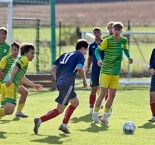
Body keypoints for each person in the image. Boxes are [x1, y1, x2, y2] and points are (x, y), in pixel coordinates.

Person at [33, 39, 88, 134]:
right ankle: (40, 120)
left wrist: (58, 80)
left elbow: (53, 69)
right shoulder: (80, 55)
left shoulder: (65, 54)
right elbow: (79, 68)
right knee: (60, 109)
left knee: (75, 102)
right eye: (86, 50)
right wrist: (84, 80)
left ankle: (64, 125)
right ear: (83, 48)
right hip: (68, 83)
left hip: (61, 82)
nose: (86, 53)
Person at [92, 22, 133, 124]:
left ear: (121, 31)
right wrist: (99, 60)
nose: (117, 31)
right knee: (102, 93)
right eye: (115, 29)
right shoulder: (107, 40)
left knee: (112, 95)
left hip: (115, 73)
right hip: (105, 71)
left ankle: (105, 116)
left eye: (119, 30)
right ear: (112, 30)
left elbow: (125, 50)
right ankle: (95, 114)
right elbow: (97, 51)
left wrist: (129, 57)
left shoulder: (124, 40)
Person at [0, 43, 43, 120]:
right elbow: (15, 67)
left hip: (5, 84)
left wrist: (33, 85)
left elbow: (21, 77)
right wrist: (10, 79)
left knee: (6, 108)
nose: (33, 55)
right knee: (9, 110)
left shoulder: (20, 58)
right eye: (32, 53)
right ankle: (18, 112)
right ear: (26, 53)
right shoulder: (25, 59)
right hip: (11, 84)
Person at [0, 41, 29, 118]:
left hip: (13, 83)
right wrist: (6, 80)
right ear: (11, 50)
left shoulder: (19, 59)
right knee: (7, 108)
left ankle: (19, 112)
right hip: (6, 83)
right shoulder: (5, 59)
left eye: (17, 50)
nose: (16, 51)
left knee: (25, 92)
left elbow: (20, 75)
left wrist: (20, 83)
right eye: (14, 50)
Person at [86, 27, 104, 114]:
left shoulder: (105, 43)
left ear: (101, 33)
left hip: (105, 69)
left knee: (104, 89)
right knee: (94, 89)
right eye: (95, 32)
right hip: (95, 70)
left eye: (98, 32)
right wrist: (87, 67)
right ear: (93, 34)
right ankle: (91, 108)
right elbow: (90, 57)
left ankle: (107, 108)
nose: (97, 33)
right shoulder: (91, 46)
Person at [148, 48, 155, 122]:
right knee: (152, 95)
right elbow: (151, 61)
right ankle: (154, 116)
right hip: (154, 76)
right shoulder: (154, 50)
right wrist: (151, 68)